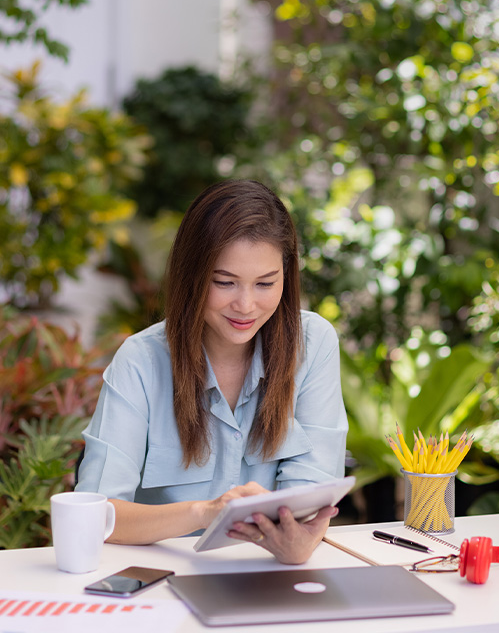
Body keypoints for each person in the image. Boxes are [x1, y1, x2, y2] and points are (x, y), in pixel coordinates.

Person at [76, 179, 348, 564]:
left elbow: (311, 499)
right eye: (224, 282)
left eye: (265, 283)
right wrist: (204, 512)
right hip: (161, 584)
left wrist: (300, 541)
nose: (246, 305)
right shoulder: (140, 361)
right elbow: (97, 515)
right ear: (192, 275)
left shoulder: (313, 343)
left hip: (269, 577)